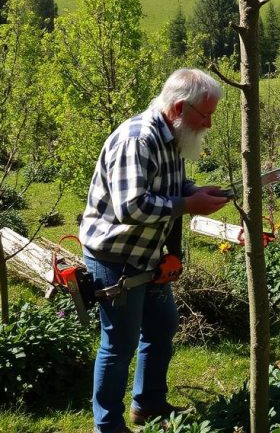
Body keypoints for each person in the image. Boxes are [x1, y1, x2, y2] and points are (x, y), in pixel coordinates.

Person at [80, 68, 230, 433]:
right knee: (119, 342)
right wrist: (187, 205)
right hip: (116, 258)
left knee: (162, 326)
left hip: (148, 254)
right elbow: (131, 207)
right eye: (205, 115)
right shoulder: (138, 139)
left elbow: (170, 186)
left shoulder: (172, 138)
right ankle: (108, 425)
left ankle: (148, 405)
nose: (209, 124)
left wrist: (199, 191)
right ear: (180, 107)